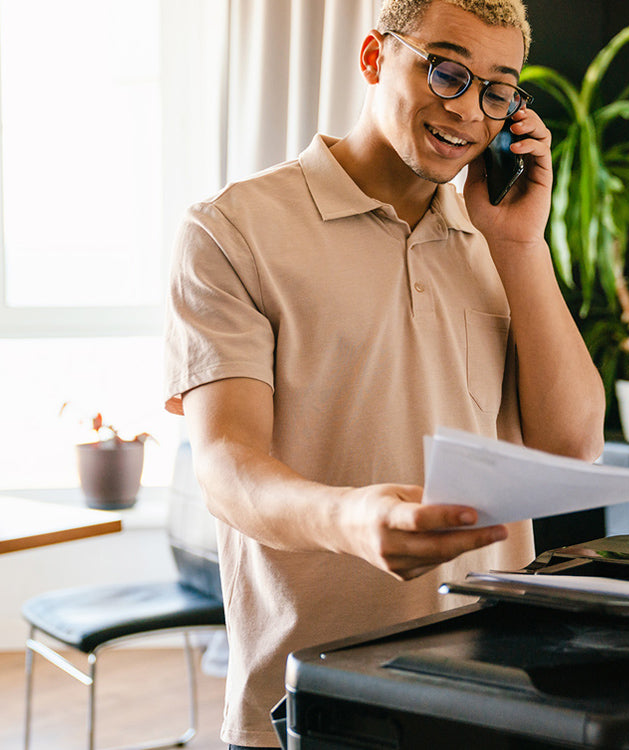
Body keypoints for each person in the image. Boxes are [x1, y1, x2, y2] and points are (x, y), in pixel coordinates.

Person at [164, 0, 605, 747]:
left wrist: (521, 247)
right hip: (309, 699)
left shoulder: (498, 233)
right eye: (446, 71)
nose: (468, 110)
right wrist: (355, 521)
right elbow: (225, 468)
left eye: (498, 90)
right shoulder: (231, 230)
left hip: (494, 693)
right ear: (373, 58)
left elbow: (571, 448)